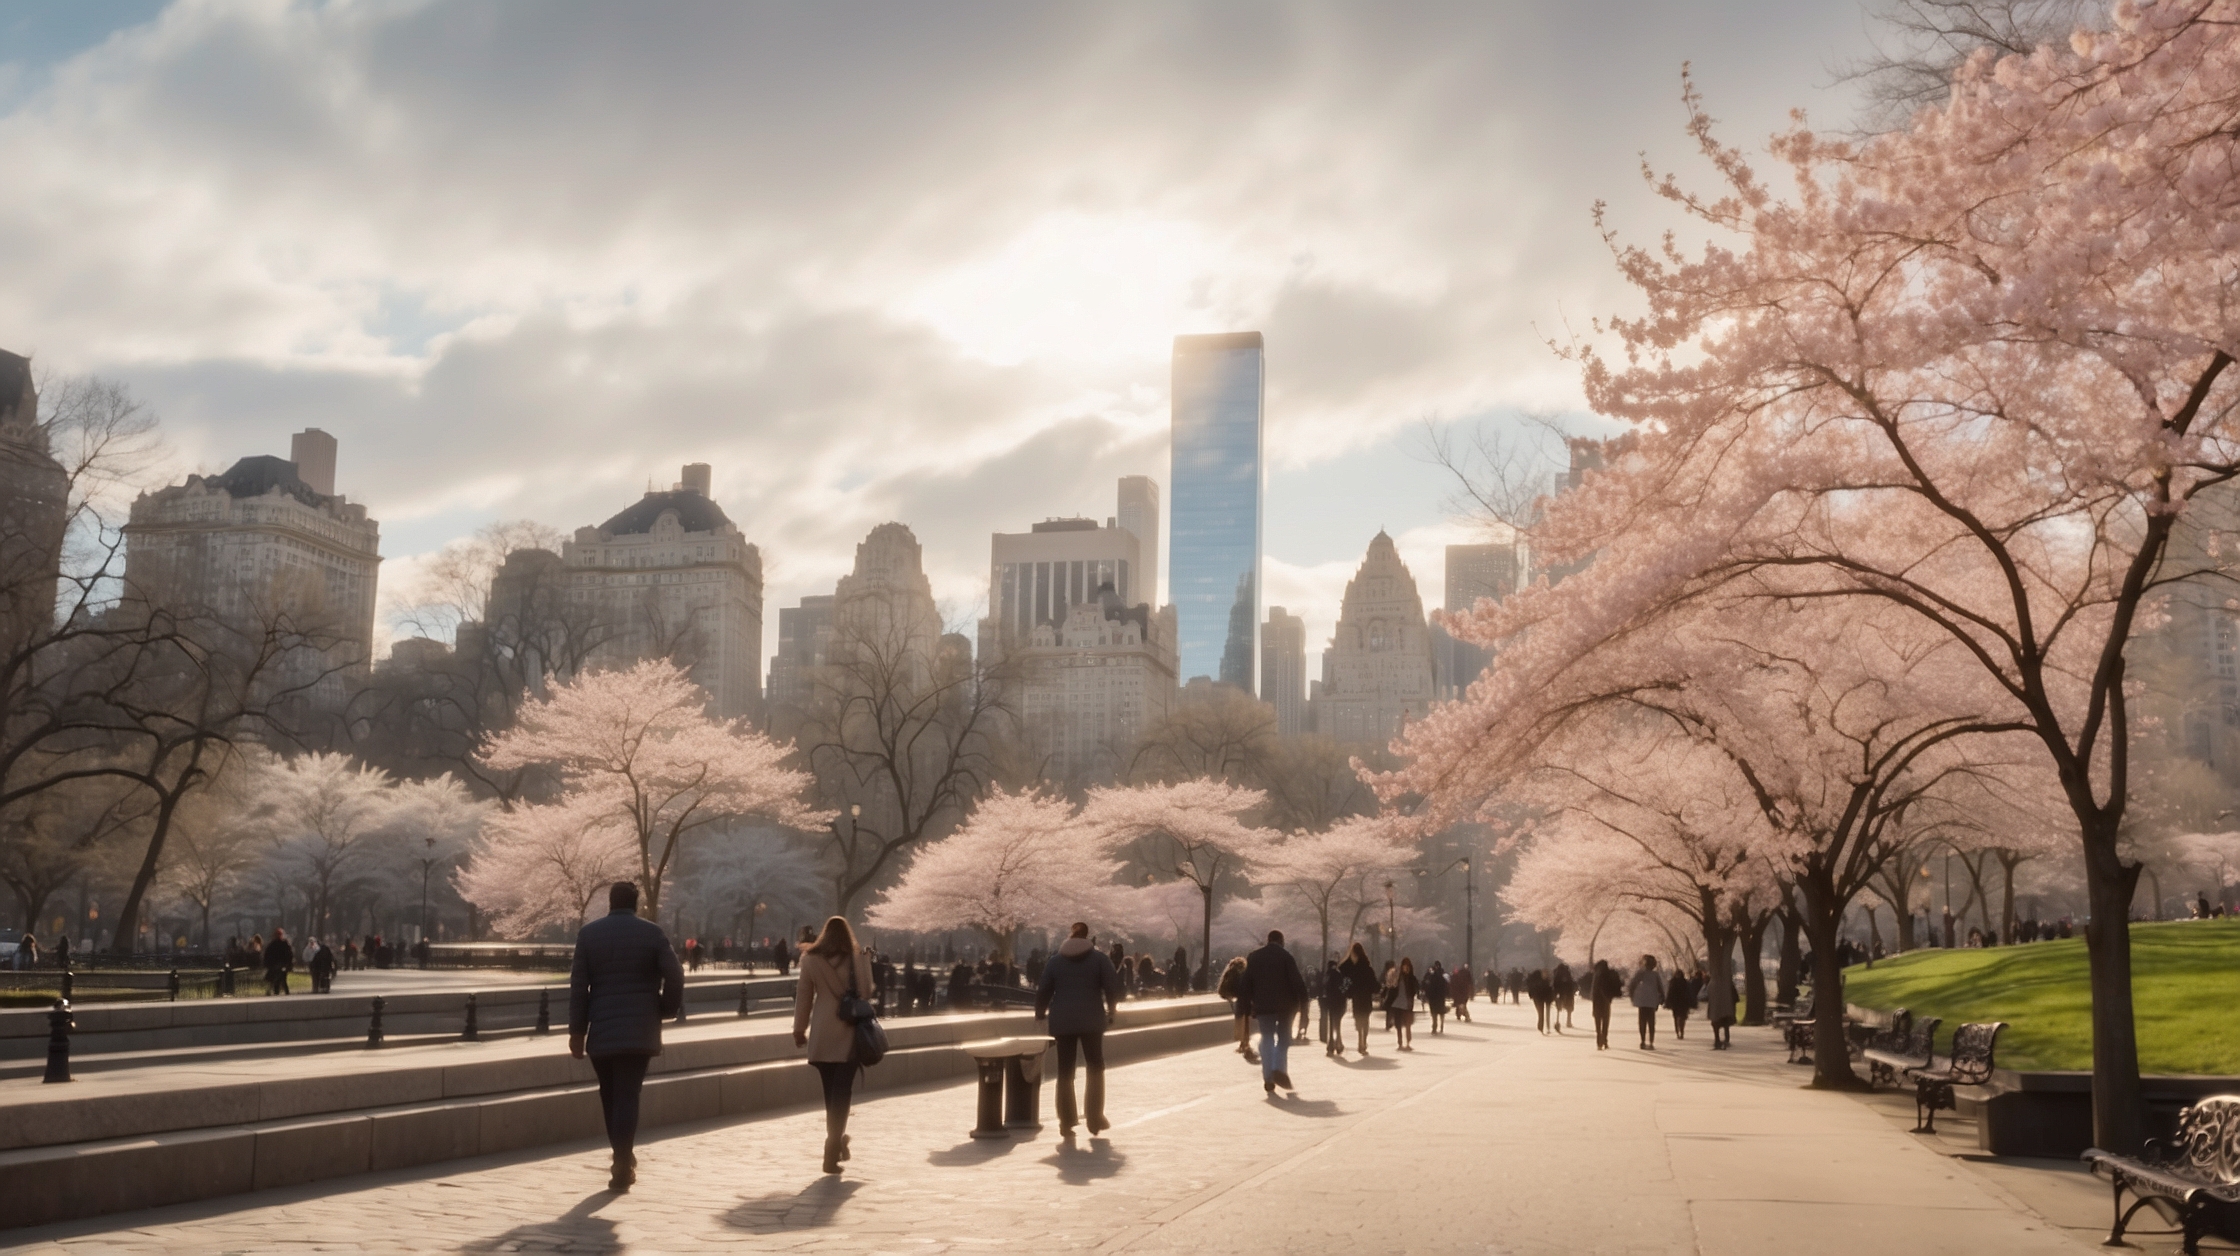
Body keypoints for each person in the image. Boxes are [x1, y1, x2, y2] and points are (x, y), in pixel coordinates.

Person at [569, 881, 684, 1192]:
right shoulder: (652, 934)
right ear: (636, 904)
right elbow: (675, 974)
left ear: (610, 902)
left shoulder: (589, 935)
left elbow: (579, 988)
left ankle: (621, 1156)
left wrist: (577, 1032)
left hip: (603, 1030)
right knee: (628, 1094)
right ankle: (622, 1159)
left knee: (609, 1094)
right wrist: (665, 1008)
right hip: (640, 1030)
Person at [793, 915, 875, 1175]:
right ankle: (833, 1148)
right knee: (843, 1093)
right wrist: (865, 962)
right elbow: (866, 992)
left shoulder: (811, 960)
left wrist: (799, 1029)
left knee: (831, 1093)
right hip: (848, 1034)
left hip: (821, 1034)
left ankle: (836, 1142)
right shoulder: (856, 958)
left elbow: (804, 996)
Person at [1035, 922, 1122, 1137]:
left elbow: (1044, 988)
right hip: (1091, 1019)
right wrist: (1112, 1010)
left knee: (1065, 1070)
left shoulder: (1055, 961)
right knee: (1095, 1066)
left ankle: (1066, 1121)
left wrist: (1040, 1013)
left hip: (1062, 1020)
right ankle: (1094, 1118)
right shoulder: (1099, 959)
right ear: (1087, 938)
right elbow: (1111, 986)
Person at [1240, 930, 1308, 1094]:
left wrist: (1246, 1006)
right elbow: (1297, 982)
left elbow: (1246, 983)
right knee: (1284, 1039)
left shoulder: (1254, 957)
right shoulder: (1286, 957)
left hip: (1263, 1006)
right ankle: (1279, 1069)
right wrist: (1304, 1004)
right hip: (1285, 1007)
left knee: (1267, 1037)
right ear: (1281, 941)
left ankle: (1268, 1078)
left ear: (1268, 940)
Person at [1337, 942, 1378, 1056]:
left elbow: (1342, 971)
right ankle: (1363, 1041)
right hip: (1366, 997)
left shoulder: (1351, 968)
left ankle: (1361, 1040)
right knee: (1365, 1020)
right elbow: (1374, 983)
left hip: (1357, 997)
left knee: (1359, 1019)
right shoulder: (1367, 967)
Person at [1216, 956, 1258, 1064]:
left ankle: (1242, 1042)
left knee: (1239, 1019)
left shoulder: (1230, 972)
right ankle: (1246, 1043)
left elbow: (1223, 987)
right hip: (1247, 999)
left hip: (1239, 999)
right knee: (1246, 1021)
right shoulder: (1246, 973)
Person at [1629, 954, 1666, 1050]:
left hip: (1642, 1001)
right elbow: (1660, 987)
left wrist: (1632, 995)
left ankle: (1642, 1041)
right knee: (1651, 1022)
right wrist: (1662, 998)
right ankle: (1651, 1041)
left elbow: (1632, 984)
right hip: (1652, 1001)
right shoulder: (1655, 975)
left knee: (1642, 1021)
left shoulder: (1640, 973)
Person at [1388, 957, 1420, 1051]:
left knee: (1408, 1024)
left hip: (1407, 1004)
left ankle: (1408, 1042)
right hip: (1397, 1003)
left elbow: (1415, 989)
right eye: (1404, 966)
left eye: (1407, 966)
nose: (1405, 968)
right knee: (1398, 1025)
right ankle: (1400, 1043)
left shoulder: (1412, 978)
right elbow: (1391, 987)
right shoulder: (1397, 977)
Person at [1589, 958, 1621, 1050]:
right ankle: (1605, 1040)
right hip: (1606, 1001)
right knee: (1606, 1021)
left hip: (1596, 1001)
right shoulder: (1607, 974)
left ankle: (1599, 1040)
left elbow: (1594, 989)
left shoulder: (1596, 975)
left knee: (1598, 1021)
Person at [1318, 959, 1347, 1056]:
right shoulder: (1338, 975)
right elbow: (1343, 988)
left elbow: (1323, 989)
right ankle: (1338, 1045)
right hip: (1339, 1002)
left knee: (1332, 1025)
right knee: (1337, 1025)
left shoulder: (1326, 976)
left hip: (1329, 1003)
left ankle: (1332, 1046)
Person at [1705, 964, 1737, 1050]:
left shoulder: (1712, 984)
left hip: (1715, 1009)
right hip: (1725, 1009)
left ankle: (1717, 1041)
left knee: (1716, 1026)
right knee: (1725, 1025)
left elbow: (1708, 995)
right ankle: (1726, 1040)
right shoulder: (1726, 984)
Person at [1667, 967, 1699, 1041]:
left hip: (1677, 1003)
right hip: (1682, 1003)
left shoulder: (1673, 982)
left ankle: (1679, 1032)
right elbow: (1689, 993)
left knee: (1677, 1018)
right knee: (1681, 1018)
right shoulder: (1685, 982)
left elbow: (1670, 993)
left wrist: (1668, 1002)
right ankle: (1680, 1031)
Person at [264, 927, 295, 996]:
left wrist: (288, 964)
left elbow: (289, 955)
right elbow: (290, 955)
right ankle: (279, 991)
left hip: (280, 965)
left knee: (282, 979)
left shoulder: (280, 944)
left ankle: (282, 991)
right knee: (279, 979)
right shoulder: (279, 944)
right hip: (277, 965)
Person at [1422, 960, 1450, 1035]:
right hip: (1440, 998)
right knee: (1441, 1013)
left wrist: (1427, 996)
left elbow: (1428, 987)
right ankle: (1441, 1026)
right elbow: (1446, 988)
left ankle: (1434, 1027)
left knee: (1434, 1014)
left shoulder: (1431, 977)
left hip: (1433, 998)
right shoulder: (1443, 977)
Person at [1526, 968, 1553, 1034]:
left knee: (1540, 1013)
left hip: (1538, 998)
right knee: (1541, 1013)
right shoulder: (1544, 981)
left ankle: (1541, 1027)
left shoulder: (1539, 981)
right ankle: (1541, 1027)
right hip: (1541, 998)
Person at [1552, 961, 1578, 1029]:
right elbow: (1571, 983)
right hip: (1568, 993)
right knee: (1569, 1008)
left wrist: (1554, 993)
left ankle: (1557, 1021)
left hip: (1560, 993)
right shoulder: (1567, 973)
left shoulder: (1556, 973)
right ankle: (1568, 1021)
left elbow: (1555, 984)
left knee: (1559, 1007)